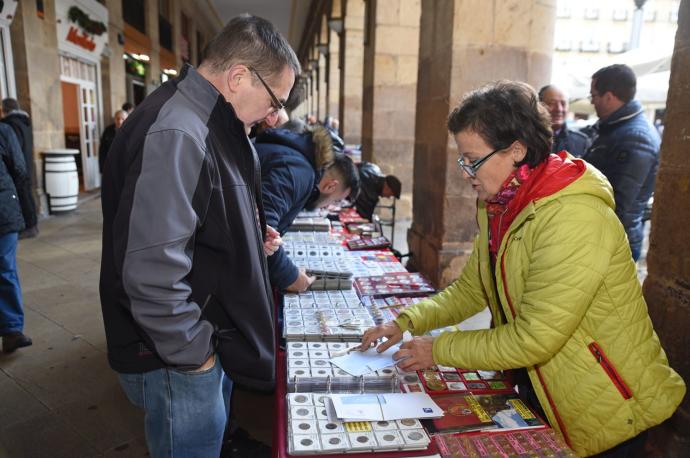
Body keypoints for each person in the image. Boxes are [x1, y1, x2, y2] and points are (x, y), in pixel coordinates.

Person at [360, 81, 685, 457]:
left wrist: (439, 348)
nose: (466, 173)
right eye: (462, 160)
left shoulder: (572, 216)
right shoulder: (499, 204)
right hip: (542, 387)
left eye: (473, 160)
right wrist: (404, 321)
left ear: (516, 150)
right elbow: (473, 289)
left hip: (606, 401)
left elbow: (535, 337)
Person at [99, 15, 299, 458]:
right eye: (273, 100)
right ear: (238, 77)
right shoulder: (180, 130)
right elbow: (152, 270)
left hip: (200, 335)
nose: (273, 116)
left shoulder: (210, 121)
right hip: (177, 357)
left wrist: (247, 233)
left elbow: (198, 213)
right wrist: (196, 355)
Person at [254, 125, 359, 292]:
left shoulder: (296, 160)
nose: (330, 206)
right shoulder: (299, 172)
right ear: (331, 186)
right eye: (336, 200)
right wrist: (292, 278)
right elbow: (262, 226)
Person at [582, 64, 660, 261]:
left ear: (609, 97)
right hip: (604, 235)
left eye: (594, 96)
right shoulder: (616, 129)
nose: (592, 102)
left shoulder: (635, 137)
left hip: (612, 241)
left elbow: (618, 202)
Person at [0, 122, 32, 353]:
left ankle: (11, 329)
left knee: (5, 266)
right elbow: (19, 169)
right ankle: (11, 329)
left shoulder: (3, 131)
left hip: (3, 210)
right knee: (5, 268)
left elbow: (19, 170)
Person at [1, 98, 38, 239]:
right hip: (25, 164)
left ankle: (29, 226)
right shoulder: (23, 122)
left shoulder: (11, 125)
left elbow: (13, 150)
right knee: (27, 195)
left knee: (24, 197)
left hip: (18, 167)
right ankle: (32, 224)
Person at [538, 85, 589, 157]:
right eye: (552, 103)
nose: (559, 109)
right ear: (539, 106)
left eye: (563, 104)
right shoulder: (526, 139)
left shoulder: (581, 142)